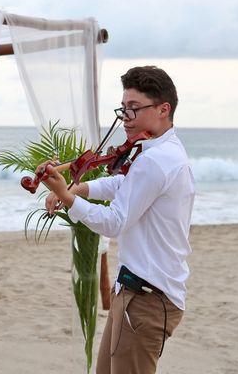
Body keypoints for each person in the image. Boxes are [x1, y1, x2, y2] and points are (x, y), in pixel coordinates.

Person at [38, 66, 194, 374]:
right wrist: (79, 187)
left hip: (148, 297)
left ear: (164, 109)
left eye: (134, 109)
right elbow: (122, 184)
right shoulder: (154, 150)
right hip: (136, 291)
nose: (125, 117)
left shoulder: (156, 160)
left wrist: (68, 197)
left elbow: (114, 222)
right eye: (123, 109)